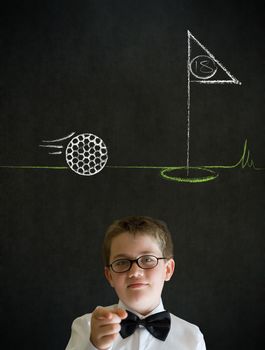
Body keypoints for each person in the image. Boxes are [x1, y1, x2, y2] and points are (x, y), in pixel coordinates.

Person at [65, 216, 206, 350]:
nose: (135, 272)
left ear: (167, 269)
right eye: (121, 262)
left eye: (147, 259)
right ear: (110, 276)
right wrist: (94, 346)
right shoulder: (86, 326)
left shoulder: (192, 337)